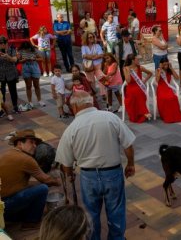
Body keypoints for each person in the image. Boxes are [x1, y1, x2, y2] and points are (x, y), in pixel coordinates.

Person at [56, 90, 136, 240]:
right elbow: (128, 145)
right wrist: (130, 164)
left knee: (91, 214)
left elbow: (65, 163)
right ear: (91, 101)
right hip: (112, 173)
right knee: (116, 211)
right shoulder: (110, 118)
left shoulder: (71, 129)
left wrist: (69, 175)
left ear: (74, 108)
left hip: (88, 176)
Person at [0, 129, 60, 230]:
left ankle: (13, 217)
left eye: (35, 143)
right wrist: (58, 182)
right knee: (42, 189)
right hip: (5, 205)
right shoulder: (26, 159)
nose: (35, 146)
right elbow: (47, 180)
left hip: (3, 205)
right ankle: (31, 222)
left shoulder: (8, 153)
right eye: (31, 142)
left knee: (32, 188)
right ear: (19, 143)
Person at [123, 53, 153, 122]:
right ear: (133, 60)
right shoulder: (126, 68)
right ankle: (144, 112)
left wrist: (144, 81)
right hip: (130, 87)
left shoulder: (140, 67)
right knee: (134, 94)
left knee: (138, 92)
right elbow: (128, 81)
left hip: (139, 87)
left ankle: (143, 112)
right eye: (137, 59)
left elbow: (150, 73)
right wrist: (128, 71)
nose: (139, 60)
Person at [155, 57, 181, 123]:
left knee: (173, 97)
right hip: (161, 88)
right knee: (166, 98)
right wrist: (160, 69)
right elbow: (157, 80)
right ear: (161, 64)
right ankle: (166, 115)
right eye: (164, 64)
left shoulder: (169, 70)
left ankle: (173, 115)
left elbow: (177, 78)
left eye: (167, 64)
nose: (166, 66)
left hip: (168, 88)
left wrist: (171, 68)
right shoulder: (158, 70)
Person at [18, 41, 46, 110]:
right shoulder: (20, 51)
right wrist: (23, 60)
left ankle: (39, 100)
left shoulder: (34, 50)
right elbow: (18, 61)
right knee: (28, 86)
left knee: (36, 85)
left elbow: (42, 58)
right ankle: (30, 102)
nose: (26, 50)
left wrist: (34, 59)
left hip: (34, 67)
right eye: (25, 48)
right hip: (26, 67)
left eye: (27, 48)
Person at [81, 32, 105, 96]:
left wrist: (90, 57)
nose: (92, 38)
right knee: (91, 81)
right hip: (88, 67)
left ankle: (103, 94)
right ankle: (93, 94)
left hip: (97, 66)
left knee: (102, 78)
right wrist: (95, 56)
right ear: (86, 38)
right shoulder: (84, 47)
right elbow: (84, 56)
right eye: (90, 37)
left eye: (93, 37)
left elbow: (101, 55)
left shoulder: (97, 46)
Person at [0, 35, 20, 113]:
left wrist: (8, 57)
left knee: (13, 91)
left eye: (3, 43)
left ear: (5, 43)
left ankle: (15, 107)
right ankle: (2, 109)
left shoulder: (11, 49)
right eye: (0, 44)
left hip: (11, 73)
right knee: (2, 93)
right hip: (1, 74)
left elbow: (15, 60)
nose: (2, 45)